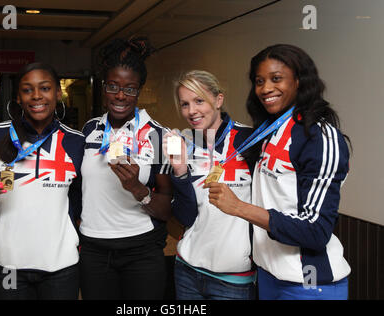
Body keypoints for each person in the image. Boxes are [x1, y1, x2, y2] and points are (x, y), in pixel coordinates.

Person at [205, 44, 351, 300]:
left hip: (308, 282)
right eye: (259, 81)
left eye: (276, 79)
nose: (265, 89)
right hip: (269, 275)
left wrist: (239, 207)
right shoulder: (269, 131)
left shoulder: (319, 136)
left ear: (299, 81)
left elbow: (316, 231)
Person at [0, 62, 84, 300]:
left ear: (58, 93)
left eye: (45, 88)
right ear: (18, 97)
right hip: (9, 264)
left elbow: (80, 199)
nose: (37, 95)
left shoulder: (76, 142)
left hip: (62, 265)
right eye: (28, 90)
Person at [79, 36, 173, 300]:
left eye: (130, 89)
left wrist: (137, 188)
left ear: (140, 90)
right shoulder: (89, 130)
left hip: (141, 252)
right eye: (113, 86)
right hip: (94, 251)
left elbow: (166, 209)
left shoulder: (157, 135)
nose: (120, 95)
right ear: (103, 87)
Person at [163, 70, 256, 300]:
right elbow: (186, 217)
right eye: (185, 104)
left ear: (218, 100)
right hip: (187, 271)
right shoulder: (185, 144)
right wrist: (180, 171)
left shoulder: (250, 140)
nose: (191, 111)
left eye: (199, 101)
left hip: (233, 277)